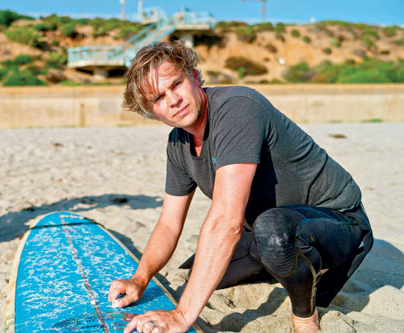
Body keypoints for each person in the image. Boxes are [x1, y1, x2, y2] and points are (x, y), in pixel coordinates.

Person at [108, 40, 373, 333]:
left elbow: (226, 222)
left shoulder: (237, 108)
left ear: (194, 77)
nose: (173, 100)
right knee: (196, 271)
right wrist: (140, 278)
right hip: (269, 227)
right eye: (158, 98)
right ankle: (291, 263)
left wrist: (183, 315)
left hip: (339, 223)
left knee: (272, 234)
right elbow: (169, 223)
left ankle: (305, 317)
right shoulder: (178, 143)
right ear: (151, 110)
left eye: (176, 84)